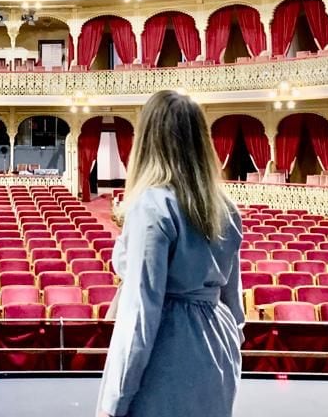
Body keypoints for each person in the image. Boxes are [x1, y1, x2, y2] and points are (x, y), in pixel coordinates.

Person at [97, 90, 244, 417]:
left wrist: (114, 403)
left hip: (168, 350)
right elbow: (235, 306)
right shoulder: (227, 209)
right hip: (217, 349)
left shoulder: (152, 206)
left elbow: (141, 314)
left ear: (148, 140)